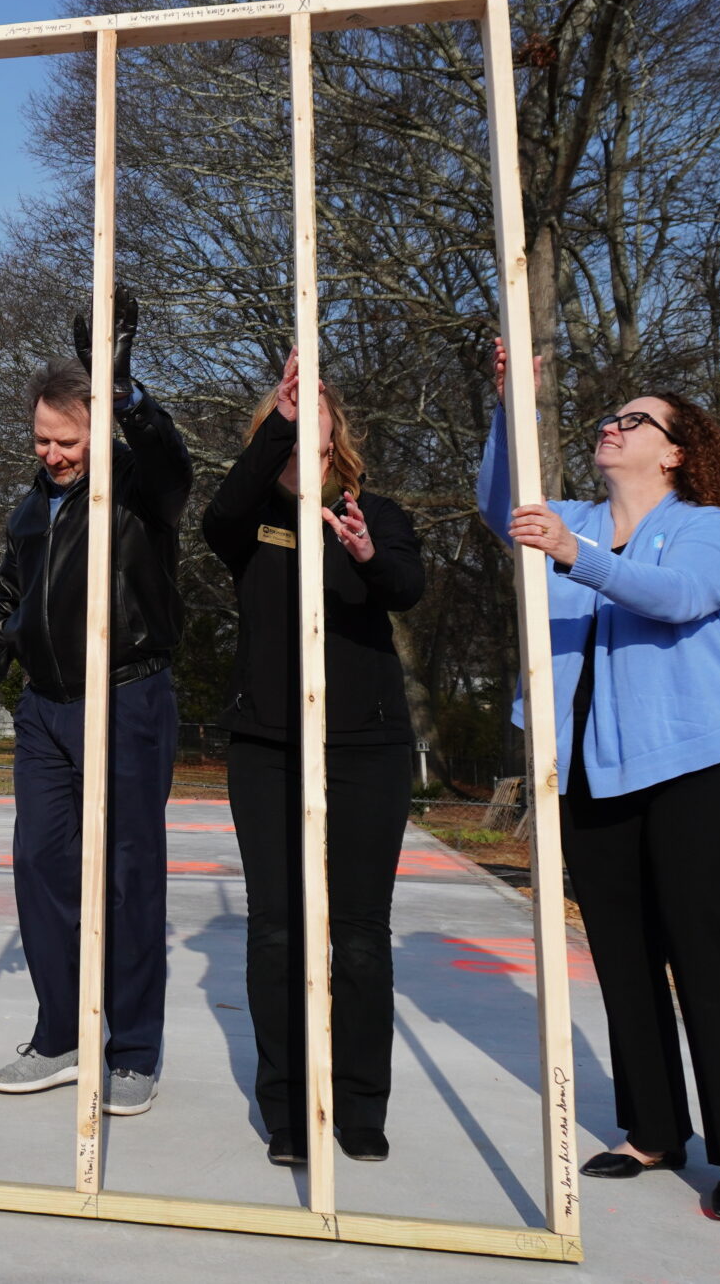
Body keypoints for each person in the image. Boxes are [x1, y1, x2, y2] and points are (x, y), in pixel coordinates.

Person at [481, 343, 720, 1222]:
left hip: (701, 770)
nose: (611, 428)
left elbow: (678, 596)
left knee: (710, 955)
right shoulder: (569, 514)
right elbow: (505, 501)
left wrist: (578, 554)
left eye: (633, 420)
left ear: (676, 449)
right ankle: (654, 1129)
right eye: (608, 420)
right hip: (593, 771)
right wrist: (513, 404)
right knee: (621, 956)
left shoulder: (709, 528)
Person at [0, 301, 192, 1116]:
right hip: (45, 710)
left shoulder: (135, 490)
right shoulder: (30, 505)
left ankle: (133, 1049)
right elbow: (6, 599)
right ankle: (61, 1032)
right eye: (43, 439)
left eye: (69, 441)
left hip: (125, 697)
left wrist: (124, 393)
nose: (54, 455)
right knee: (40, 865)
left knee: (126, 875)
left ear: (98, 432)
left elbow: (171, 470)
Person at [204, 353, 424, 1166]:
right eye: (292, 407)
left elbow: (407, 586)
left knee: (360, 934)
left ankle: (361, 1105)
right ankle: (290, 1110)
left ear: (340, 428)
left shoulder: (380, 511)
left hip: (365, 748)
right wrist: (280, 428)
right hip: (267, 747)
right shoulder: (252, 514)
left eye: (318, 405)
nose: (307, 416)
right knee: (278, 932)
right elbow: (217, 518)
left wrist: (365, 550)